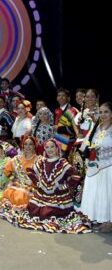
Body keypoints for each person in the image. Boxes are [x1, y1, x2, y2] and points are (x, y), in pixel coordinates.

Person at [80, 102, 112, 232]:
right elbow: (85, 145)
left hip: (108, 167)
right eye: (101, 112)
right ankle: (98, 218)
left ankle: (109, 221)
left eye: (106, 112)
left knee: (107, 194)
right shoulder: (96, 128)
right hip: (95, 166)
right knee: (97, 194)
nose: (103, 115)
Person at [2, 136, 39, 208]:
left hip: (32, 188)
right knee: (9, 192)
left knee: (21, 196)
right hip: (18, 185)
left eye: (30, 144)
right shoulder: (17, 159)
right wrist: (13, 179)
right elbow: (6, 170)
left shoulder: (39, 160)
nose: (28, 147)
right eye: (26, 144)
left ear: (34, 146)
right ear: (23, 145)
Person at [54, 88, 79, 157]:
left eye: (63, 95)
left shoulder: (73, 111)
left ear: (68, 98)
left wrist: (59, 129)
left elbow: (76, 130)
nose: (61, 97)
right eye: (59, 95)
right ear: (56, 98)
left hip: (69, 144)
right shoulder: (56, 111)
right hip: (57, 143)